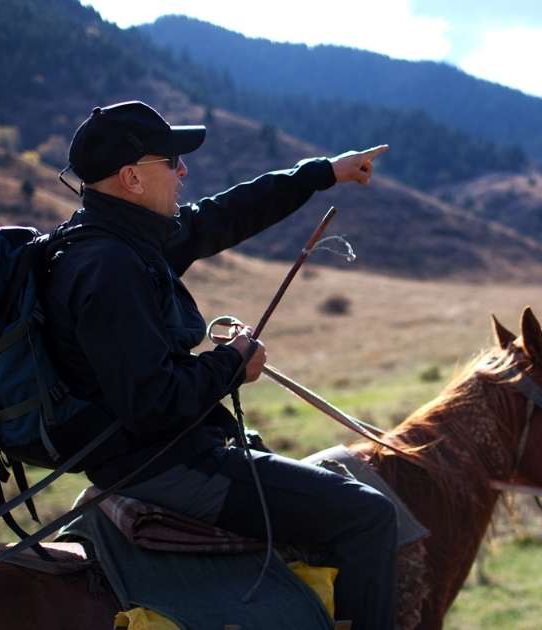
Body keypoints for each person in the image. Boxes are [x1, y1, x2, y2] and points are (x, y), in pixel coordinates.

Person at [43, 100, 396, 629]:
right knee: (369, 515)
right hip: (165, 465)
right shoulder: (111, 267)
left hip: (157, 454)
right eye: (172, 162)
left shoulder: (119, 236)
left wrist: (323, 172)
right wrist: (232, 365)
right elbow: (152, 403)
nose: (184, 171)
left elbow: (223, 216)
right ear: (132, 178)